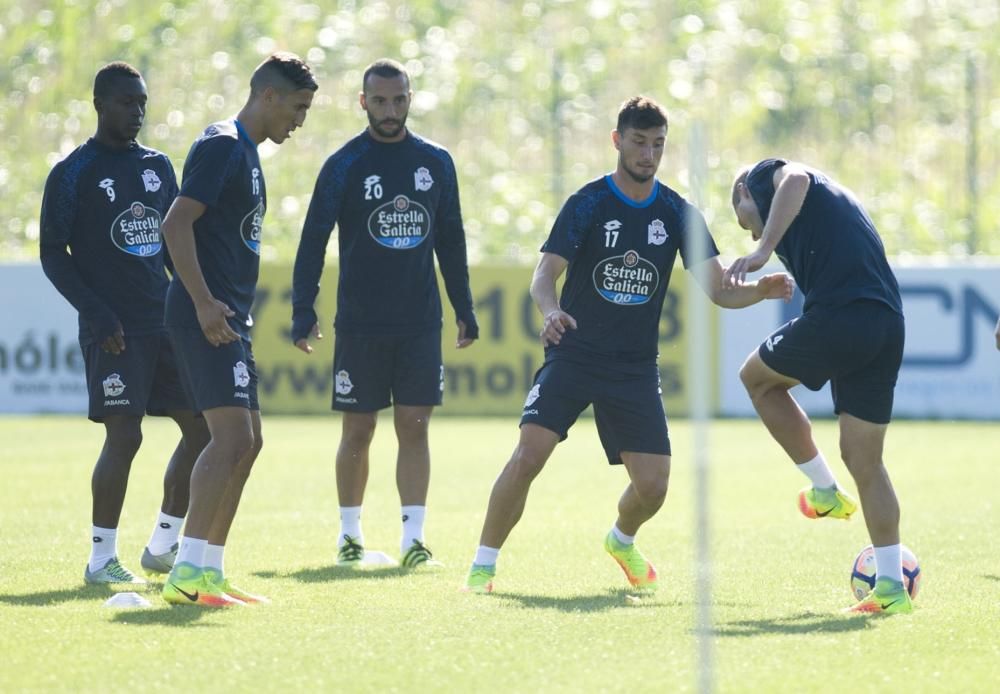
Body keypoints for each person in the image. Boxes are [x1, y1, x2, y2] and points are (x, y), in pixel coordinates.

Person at [462, 96, 793, 594]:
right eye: (639, 142)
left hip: (633, 367)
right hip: (574, 352)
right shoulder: (588, 203)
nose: (648, 154)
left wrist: (759, 291)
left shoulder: (678, 212)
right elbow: (544, 275)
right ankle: (483, 567)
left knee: (654, 488)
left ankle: (621, 539)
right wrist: (551, 312)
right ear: (617, 141)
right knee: (530, 454)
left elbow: (719, 289)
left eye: (658, 144)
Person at [292, 58, 478, 569]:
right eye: (380, 101)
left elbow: (451, 239)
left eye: (398, 100)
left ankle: (413, 541)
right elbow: (313, 239)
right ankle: (349, 535)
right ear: (363, 102)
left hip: (419, 321)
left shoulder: (436, 162)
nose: (390, 110)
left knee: (414, 427)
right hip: (360, 322)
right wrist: (302, 307)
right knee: (358, 431)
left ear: (410, 99)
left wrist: (463, 306)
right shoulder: (345, 164)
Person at [39, 62, 210, 586]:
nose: (136, 111)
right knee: (126, 436)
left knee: (203, 432)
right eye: (125, 102)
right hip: (112, 328)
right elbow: (52, 252)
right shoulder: (73, 172)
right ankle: (100, 559)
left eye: (142, 102)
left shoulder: (157, 166)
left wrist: (191, 303)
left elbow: (173, 244)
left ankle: (162, 545)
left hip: (163, 322)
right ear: (99, 104)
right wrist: (94, 310)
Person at [160, 52, 317, 606]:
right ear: (268, 96)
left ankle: (208, 573)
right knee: (229, 438)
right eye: (297, 108)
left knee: (248, 442)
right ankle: (185, 571)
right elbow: (175, 222)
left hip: (228, 317)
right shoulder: (223, 144)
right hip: (207, 315)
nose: (300, 121)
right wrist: (203, 303)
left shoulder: (245, 152)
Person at [725, 158, 910, 614]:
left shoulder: (772, 177)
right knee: (865, 461)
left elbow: (796, 177)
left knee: (756, 380)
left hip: (843, 315)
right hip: (885, 323)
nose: (748, 235)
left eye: (741, 221)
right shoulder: (815, 209)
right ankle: (891, 587)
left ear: (744, 195)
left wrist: (764, 246)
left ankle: (824, 490)